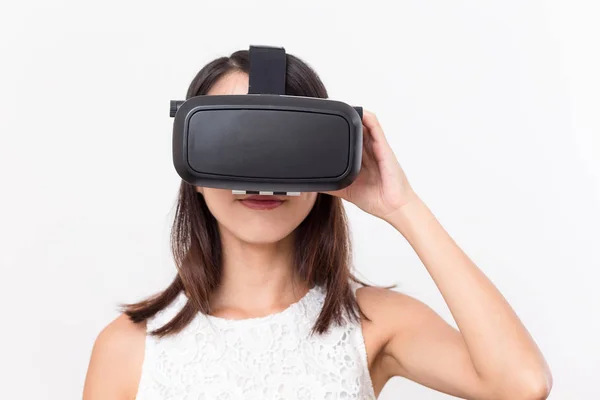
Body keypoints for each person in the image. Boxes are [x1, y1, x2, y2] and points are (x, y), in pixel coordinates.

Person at [83, 49, 552, 400]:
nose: (261, 180)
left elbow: (522, 384)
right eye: (236, 143)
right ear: (192, 167)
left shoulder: (375, 322)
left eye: (287, 147)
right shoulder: (127, 348)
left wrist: (402, 206)